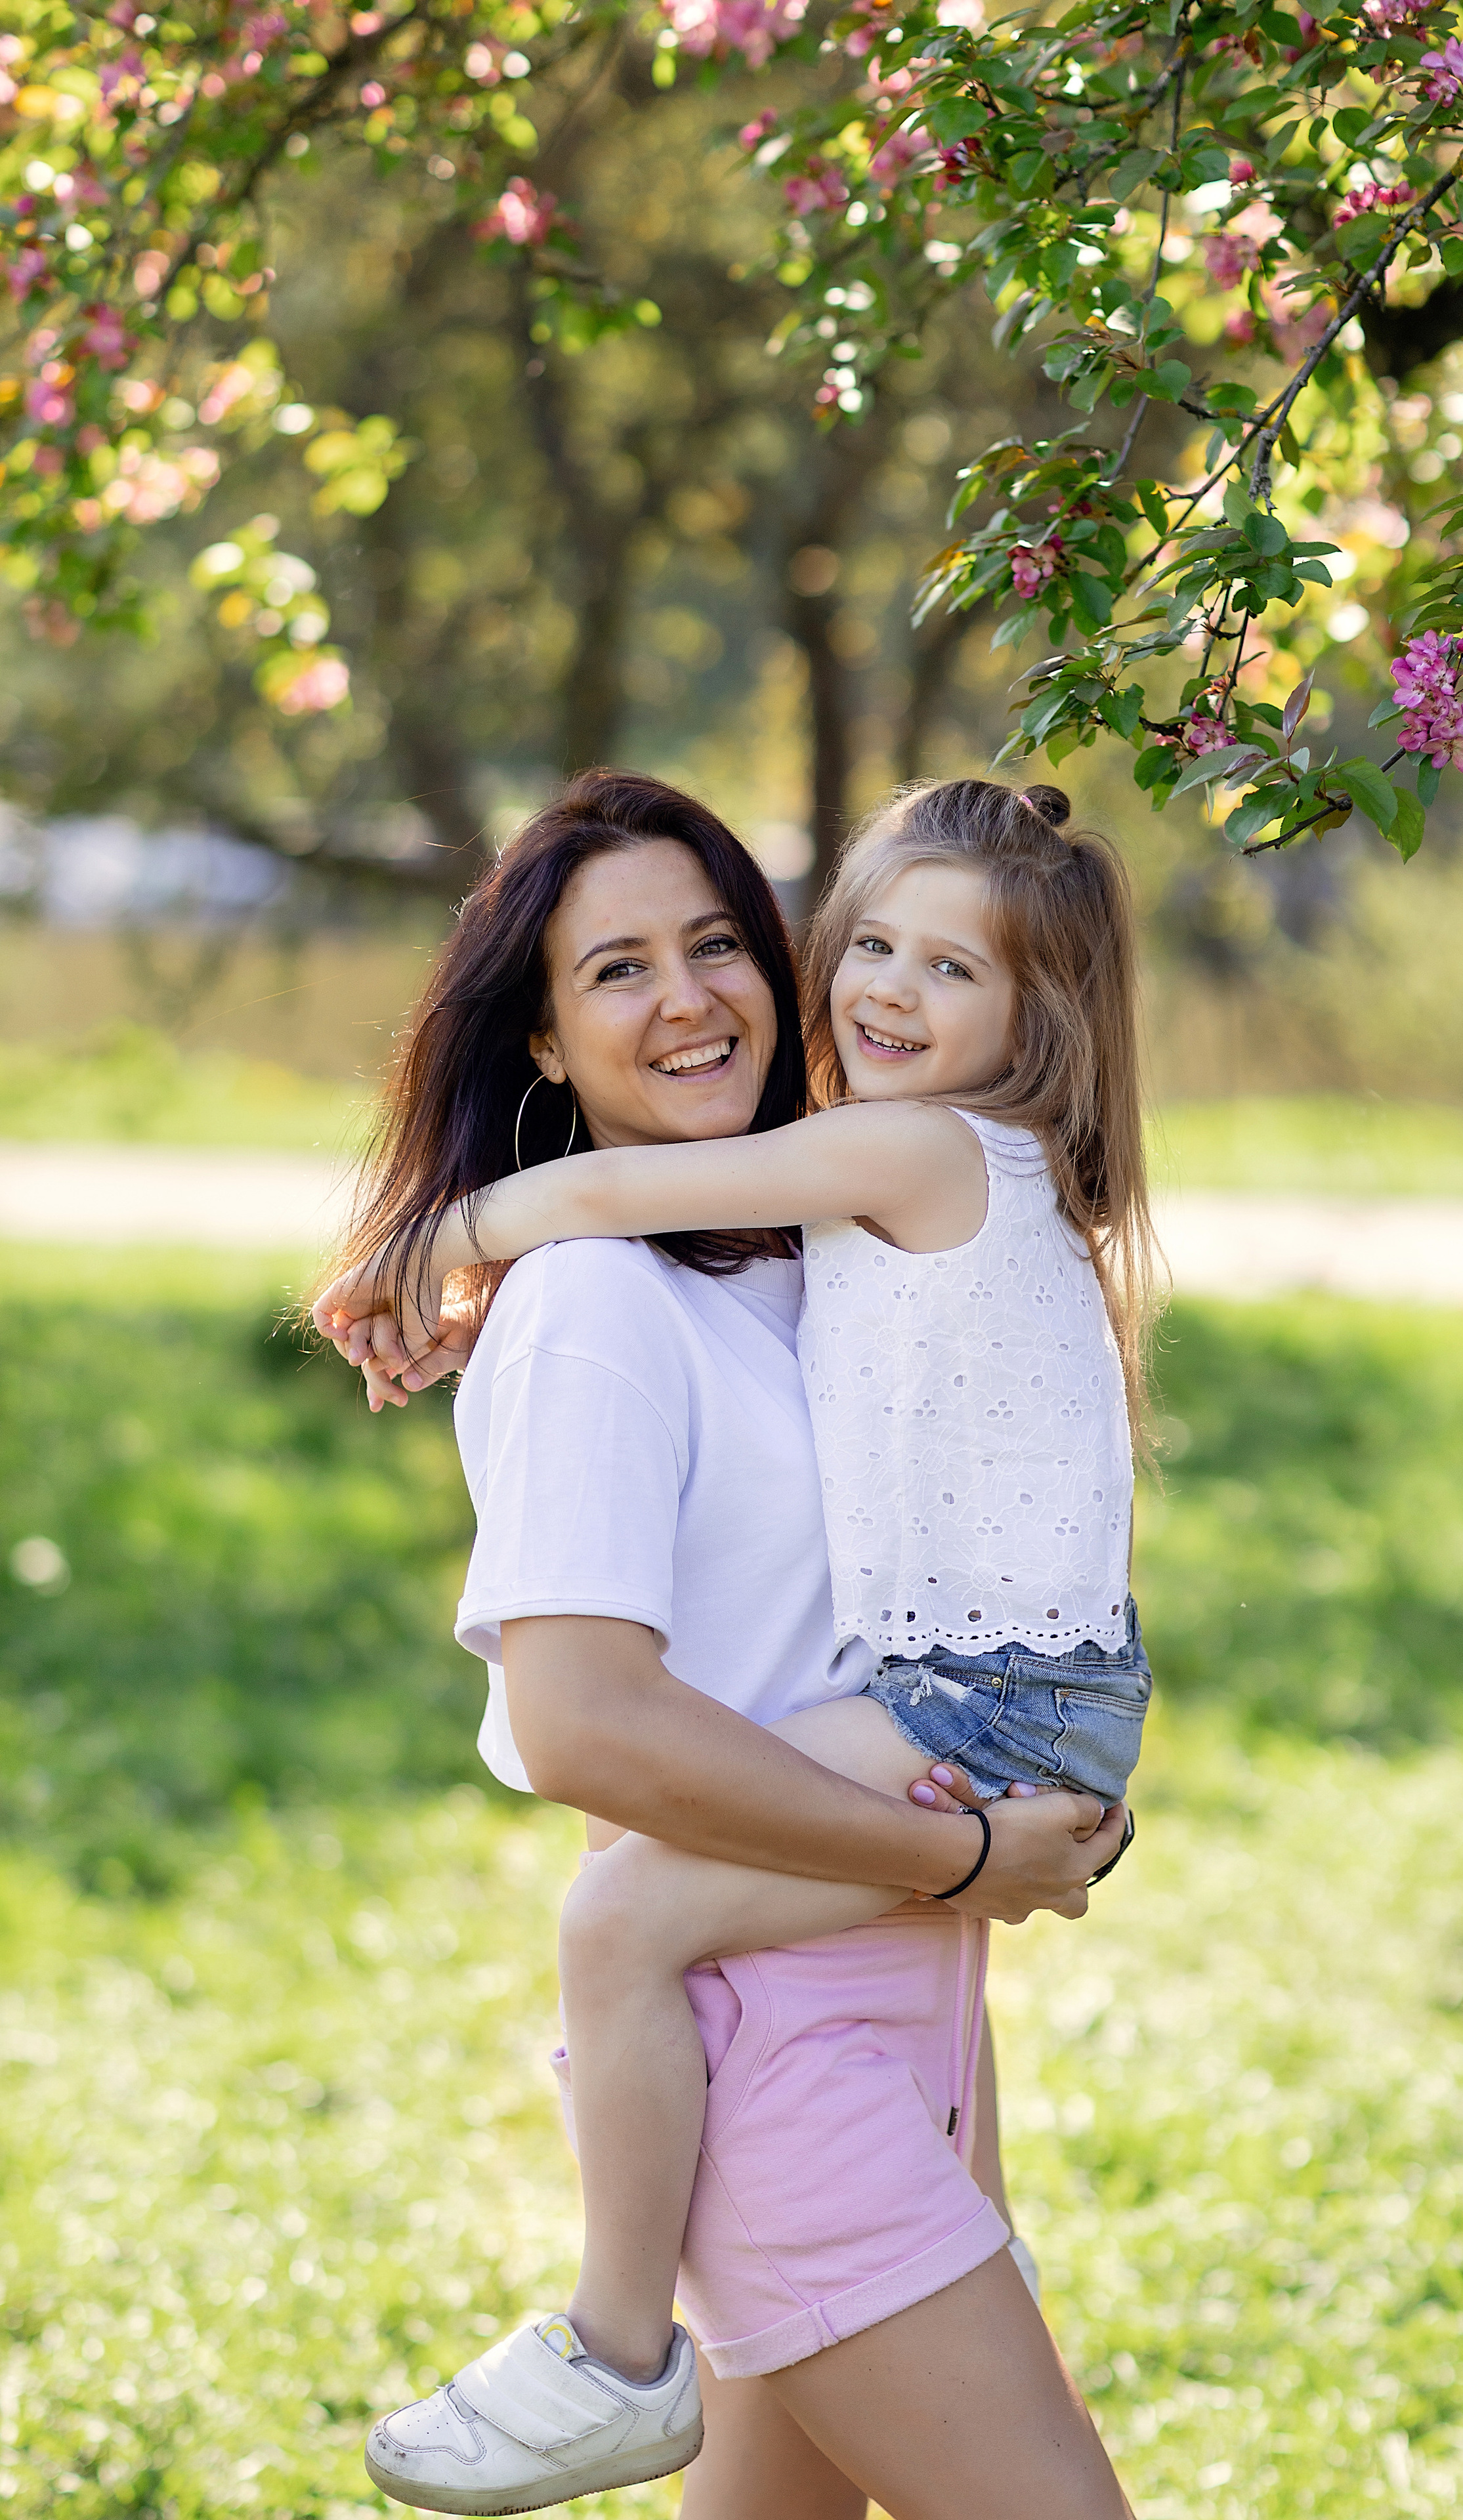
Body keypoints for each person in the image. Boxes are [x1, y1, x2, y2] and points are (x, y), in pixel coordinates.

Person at [317, 774, 1153, 2515]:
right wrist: (965, 1848)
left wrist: (1029, 1800)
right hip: (774, 2044)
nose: (690, 995)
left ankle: (616, 2358)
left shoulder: (811, 1248)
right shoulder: (597, 1299)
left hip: (907, 2013)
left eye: (715, 942)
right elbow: (585, 1729)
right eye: (617, 970)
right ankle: (609, 2350)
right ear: (540, 1038)